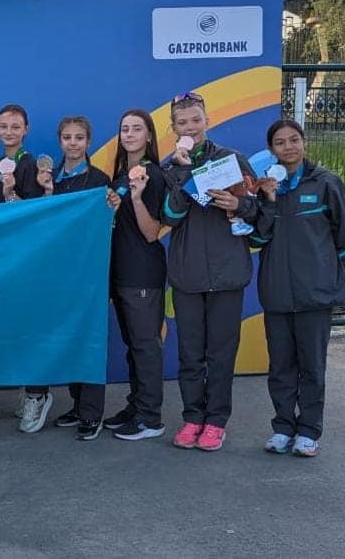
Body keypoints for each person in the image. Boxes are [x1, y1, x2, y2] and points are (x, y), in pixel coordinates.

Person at [251, 119, 345, 457]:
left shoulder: (327, 183)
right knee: (281, 366)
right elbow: (257, 239)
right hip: (277, 292)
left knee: (312, 366)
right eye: (280, 142)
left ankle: (309, 431)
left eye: (294, 140)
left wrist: (331, 277)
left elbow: (343, 235)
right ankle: (283, 427)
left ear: (304, 142)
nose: (288, 147)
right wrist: (268, 199)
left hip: (315, 294)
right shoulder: (264, 187)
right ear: (271, 149)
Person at [161, 91, 258, 452]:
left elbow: (259, 210)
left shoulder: (232, 159)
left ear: (207, 121)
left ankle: (216, 421)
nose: (190, 127)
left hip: (227, 273)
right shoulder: (169, 168)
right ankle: (192, 418)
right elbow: (169, 217)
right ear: (174, 128)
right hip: (187, 275)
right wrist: (184, 173)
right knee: (190, 354)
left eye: (196, 120)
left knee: (221, 354)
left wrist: (239, 204)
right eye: (182, 122)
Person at [39, 116, 114, 440]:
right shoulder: (49, 178)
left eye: (79, 137)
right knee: (69, 338)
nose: (73, 143)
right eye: (67, 137)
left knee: (89, 339)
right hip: (58, 272)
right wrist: (46, 192)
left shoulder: (99, 180)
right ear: (59, 141)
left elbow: (105, 225)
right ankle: (78, 404)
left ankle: (92, 413)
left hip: (89, 271)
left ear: (88, 141)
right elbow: (43, 223)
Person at [0, 104, 54, 432]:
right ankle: (23, 390)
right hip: (0, 257)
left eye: (15, 126)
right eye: (4, 126)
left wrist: (11, 194)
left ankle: (38, 393)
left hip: (27, 257)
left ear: (26, 129)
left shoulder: (32, 165)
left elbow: (36, 214)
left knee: (29, 325)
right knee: (5, 325)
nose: (9, 131)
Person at [102, 110, 168, 444]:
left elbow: (152, 232)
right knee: (133, 346)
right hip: (120, 272)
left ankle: (150, 418)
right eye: (124, 128)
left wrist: (138, 198)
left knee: (145, 347)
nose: (129, 134)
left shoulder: (152, 175)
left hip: (142, 273)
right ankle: (136, 406)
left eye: (136, 129)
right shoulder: (119, 176)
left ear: (149, 136)